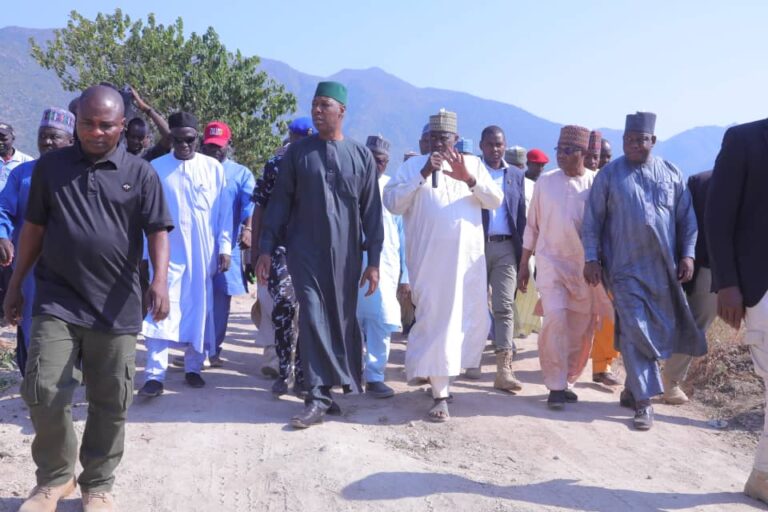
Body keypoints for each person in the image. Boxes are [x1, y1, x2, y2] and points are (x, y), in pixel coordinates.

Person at [4, 85, 172, 512]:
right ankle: (55, 478)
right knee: (43, 388)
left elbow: (157, 231)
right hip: (57, 298)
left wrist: (160, 282)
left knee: (110, 398)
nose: (96, 132)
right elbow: (34, 231)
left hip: (116, 304)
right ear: (75, 121)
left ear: (121, 126)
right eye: (87, 124)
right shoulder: (50, 168)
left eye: (106, 125)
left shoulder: (142, 173)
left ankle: (97, 483)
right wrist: (14, 285)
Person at [255, 81, 383, 428]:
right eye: (314, 104)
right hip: (305, 251)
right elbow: (278, 205)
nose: (317, 110)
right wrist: (264, 249)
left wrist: (373, 261)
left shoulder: (360, 156)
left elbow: (372, 212)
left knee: (340, 319)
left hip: (346, 256)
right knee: (311, 314)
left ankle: (327, 391)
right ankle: (314, 395)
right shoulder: (298, 155)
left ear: (342, 111)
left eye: (324, 105)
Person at [582, 112, 706, 430]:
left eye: (640, 139)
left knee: (643, 330)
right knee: (637, 326)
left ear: (653, 140)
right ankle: (644, 402)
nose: (634, 145)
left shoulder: (672, 174)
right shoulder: (609, 176)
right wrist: (592, 258)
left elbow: (687, 221)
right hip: (623, 269)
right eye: (628, 140)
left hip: (662, 271)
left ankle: (630, 388)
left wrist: (688, 256)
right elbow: (592, 222)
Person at [383, 109, 503, 422]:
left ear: (456, 139)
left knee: (467, 319)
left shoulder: (473, 163)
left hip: (466, 265)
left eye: (445, 138)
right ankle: (441, 393)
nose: (440, 143)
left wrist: (470, 179)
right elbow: (393, 203)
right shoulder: (411, 166)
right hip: (428, 265)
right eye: (434, 137)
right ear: (427, 139)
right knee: (436, 320)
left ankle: (441, 380)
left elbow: (495, 200)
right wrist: (423, 173)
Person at [139, 111, 232, 396]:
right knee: (160, 305)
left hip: (202, 252)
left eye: (190, 140)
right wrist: (145, 255)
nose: (184, 146)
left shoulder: (213, 168)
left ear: (198, 139)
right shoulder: (155, 167)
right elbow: (145, 214)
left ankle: (193, 367)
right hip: (166, 251)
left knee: (198, 307)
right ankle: (154, 374)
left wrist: (225, 246)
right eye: (177, 140)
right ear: (170, 140)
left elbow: (224, 212)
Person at [704, 118, 768, 504]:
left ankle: (762, 476)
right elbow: (717, 215)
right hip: (760, 287)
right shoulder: (745, 139)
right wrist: (726, 283)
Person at [518, 125, 598, 409]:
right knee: (555, 320)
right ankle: (554, 384)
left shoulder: (596, 183)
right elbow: (532, 225)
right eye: (558, 150)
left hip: (584, 270)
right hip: (550, 262)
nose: (561, 156)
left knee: (581, 328)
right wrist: (524, 264)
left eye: (568, 151)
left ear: (584, 153)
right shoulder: (545, 182)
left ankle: (568, 379)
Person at [0, 108, 76, 376]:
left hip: (73, 267)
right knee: (30, 320)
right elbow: (4, 210)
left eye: (54, 137)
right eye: (43, 136)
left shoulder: (81, 174)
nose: (47, 142)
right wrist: (2, 235)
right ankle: (36, 381)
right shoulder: (22, 174)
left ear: (70, 140)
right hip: (30, 267)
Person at [251, 117, 314, 397]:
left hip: (312, 249)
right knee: (285, 306)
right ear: (290, 136)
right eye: (295, 136)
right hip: (280, 248)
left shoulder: (320, 164)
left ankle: (302, 376)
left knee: (309, 312)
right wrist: (257, 251)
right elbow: (260, 207)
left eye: (304, 137)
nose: (298, 141)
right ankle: (283, 370)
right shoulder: (276, 165)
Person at [357, 134, 409, 399]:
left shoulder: (392, 190)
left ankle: (376, 376)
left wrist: (406, 276)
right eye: (370, 158)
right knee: (350, 320)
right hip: (352, 265)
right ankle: (351, 373)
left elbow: (403, 236)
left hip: (385, 268)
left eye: (381, 161)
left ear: (387, 163)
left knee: (381, 320)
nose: (375, 165)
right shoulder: (349, 184)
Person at [200, 120, 255, 366]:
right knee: (197, 297)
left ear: (228, 145)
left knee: (221, 299)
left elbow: (250, 203)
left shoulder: (240, 173)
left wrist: (249, 228)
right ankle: (196, 348)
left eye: (219, 146)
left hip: (227, 245)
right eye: (210, 146)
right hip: (198, 244)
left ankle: (213, 350)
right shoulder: (195, 168)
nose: (214, 151)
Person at [476, 125, 526, 392]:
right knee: (473, 303)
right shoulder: (473, 171)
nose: (495, 149)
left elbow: (521, 215)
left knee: (504, 306)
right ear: (481, 146)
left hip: (506, 246)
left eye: (499, 144)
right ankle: (471, 361)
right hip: (475, 246)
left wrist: (524, 256)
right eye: (490, 145)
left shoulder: (515, 175)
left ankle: (503, 369)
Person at [660, 170, 717, 403]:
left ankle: (670, 379)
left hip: (721, 269)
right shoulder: (701, 181)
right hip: (688, 262)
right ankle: (644, 378)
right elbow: (680, 220)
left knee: (697, 323)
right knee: (664, 317)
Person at [585, 130, 621, 387]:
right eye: (596, 156)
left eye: (606, 156)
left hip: (608, 260)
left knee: (608, 315)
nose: (601, 161)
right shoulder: (574, 182)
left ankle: (602, 365)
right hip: (574, 258)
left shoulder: (617, 182)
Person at [514, 148, 549, 339]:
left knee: (540, 285)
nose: (541, 168)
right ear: (528, 164)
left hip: (542, 242)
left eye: (543, 165)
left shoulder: (545, 184)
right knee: (526, 284)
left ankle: (535, 324)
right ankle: (523, 324)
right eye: (537, 165)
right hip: (525, 240)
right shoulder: (522, 183)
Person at [0, 122, 34, 311]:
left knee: (11, 274)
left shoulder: (25, 163)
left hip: (17, 230)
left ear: (13, 138)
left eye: (3, 138)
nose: (0, 142)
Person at [124, 87, 171, 161]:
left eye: (140, 138)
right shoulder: (118, 154)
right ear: (126, 135)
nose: (136, 141)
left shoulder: (150, 156)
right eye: (132, 137)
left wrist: (145, 108)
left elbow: (169, 135)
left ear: (147, 138)